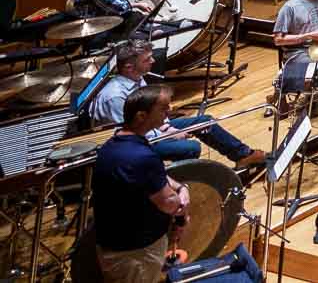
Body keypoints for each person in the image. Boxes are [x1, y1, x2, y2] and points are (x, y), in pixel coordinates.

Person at [90, 39, 264, 167]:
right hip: (133, 145)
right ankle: (180, 185)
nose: (153, 61)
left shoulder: (136, 78)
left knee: (205, 122)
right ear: (128, 67)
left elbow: (152, 114)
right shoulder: (114, 97)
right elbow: (132, 134)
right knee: (190, 148)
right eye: (147, 59)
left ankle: (243, 156)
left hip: (151, 129)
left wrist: (167, 127)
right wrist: (169, 134)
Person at [92, 84, 187, 283]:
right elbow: (172, 204)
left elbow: (150, 177)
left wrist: (179, 186)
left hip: (116, 244)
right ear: (141, 116)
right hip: (135, 253)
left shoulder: (115, 143)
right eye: (163, 108)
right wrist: (183, 197)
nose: (168, 111)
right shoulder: (141, 156)